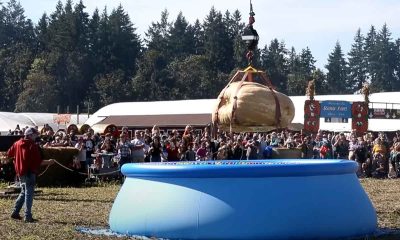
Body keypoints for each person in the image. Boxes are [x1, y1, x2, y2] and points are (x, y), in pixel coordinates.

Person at [7, 127, 54, 223]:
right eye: (35, 134)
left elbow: (9, 153)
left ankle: (15, 212)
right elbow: (38, 162)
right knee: (29, 193)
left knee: (24, 192)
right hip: (29, 172)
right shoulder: (32, 145)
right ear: (30, 135)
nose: (36, 136)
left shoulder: (17, 143)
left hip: (20, 172)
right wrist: (49, 162)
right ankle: (27, 216)